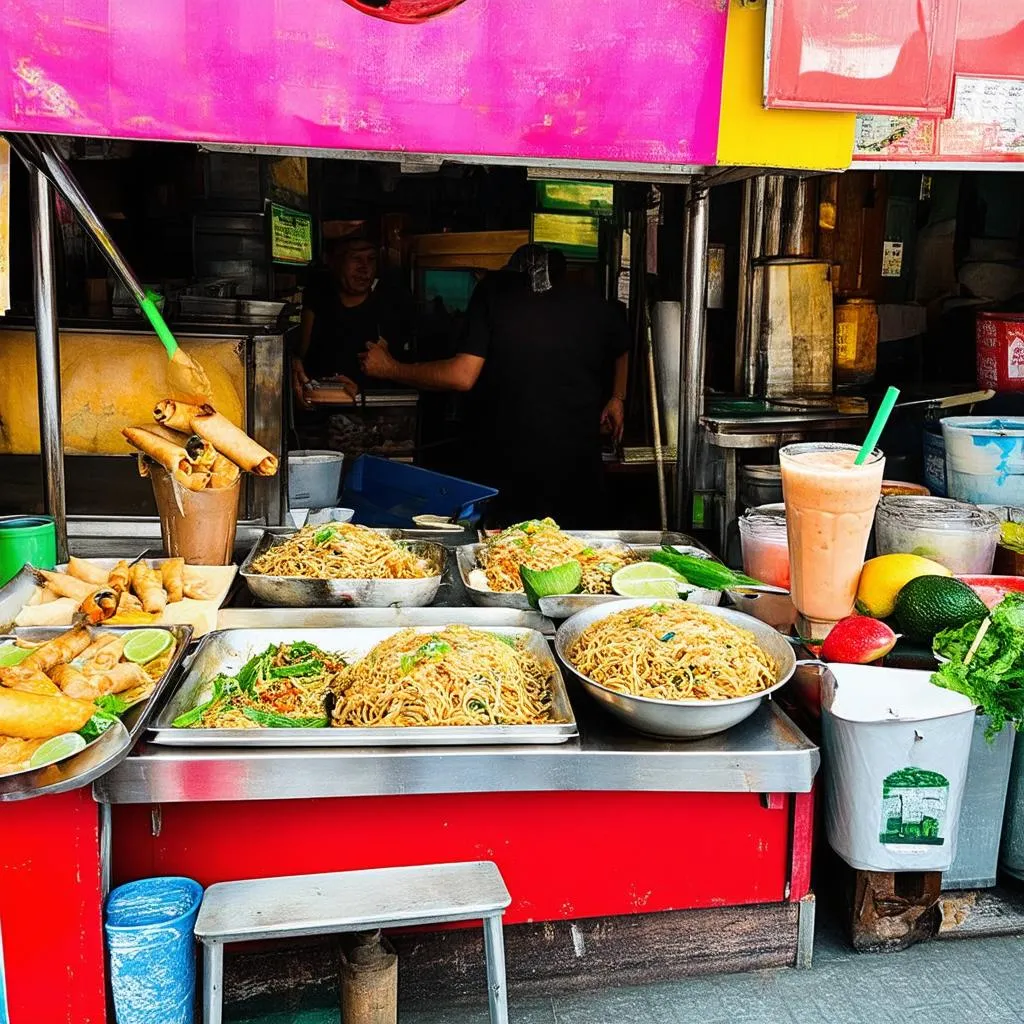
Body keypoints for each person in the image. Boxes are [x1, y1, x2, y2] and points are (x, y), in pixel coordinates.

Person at [360, 244, 629, 527]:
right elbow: (622, 344)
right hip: (579, 475)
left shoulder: (494, 292)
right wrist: (618, 397)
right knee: (578, 556)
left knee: (508, 556)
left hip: (514, 473)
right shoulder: (589, 299)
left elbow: (462, 375)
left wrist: (390, 368)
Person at [292, 235, 413, 410]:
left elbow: (401, 380)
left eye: (371, 259)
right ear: (334, 262)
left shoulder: (388, 312)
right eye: (356, 258)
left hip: (366, 419)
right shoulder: (318, 303)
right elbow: (300, 356)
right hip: (315, 415)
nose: (365, 268)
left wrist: (361, 395)